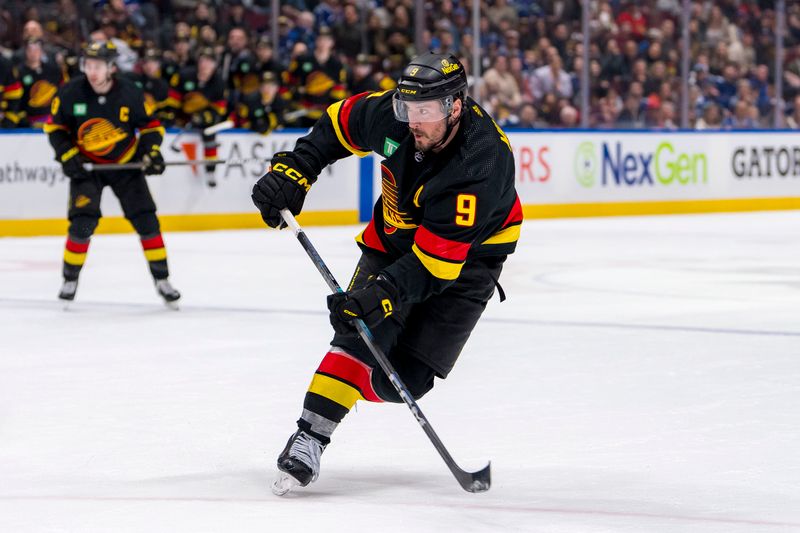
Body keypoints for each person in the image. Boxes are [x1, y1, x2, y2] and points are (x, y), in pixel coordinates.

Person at [252, 52, 522, 494]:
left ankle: (354, 378)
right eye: (407, 109)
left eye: (427, 112)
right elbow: (340, 122)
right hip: (395, 236)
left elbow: (435, 265)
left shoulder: (480, 163)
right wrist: (297, 169)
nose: (414, 122)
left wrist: (381, 294)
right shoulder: (401, 119)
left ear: (455, 107)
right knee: (360, 335)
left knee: (408, 380)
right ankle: (310, 437)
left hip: (471, 256)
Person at [44, 41, 180, 306]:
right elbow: (55, 129)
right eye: (88, 65)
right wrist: (67, 154)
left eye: (98, 66)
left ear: (111, 67)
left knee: (147, 222)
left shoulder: (130, 92)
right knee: (82, 225)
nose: (92, 72)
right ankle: (69, 278)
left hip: (125, 166)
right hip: (88, 169)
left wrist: (150, 151)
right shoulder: (70, 92)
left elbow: (151, 126)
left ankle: (162, 279)